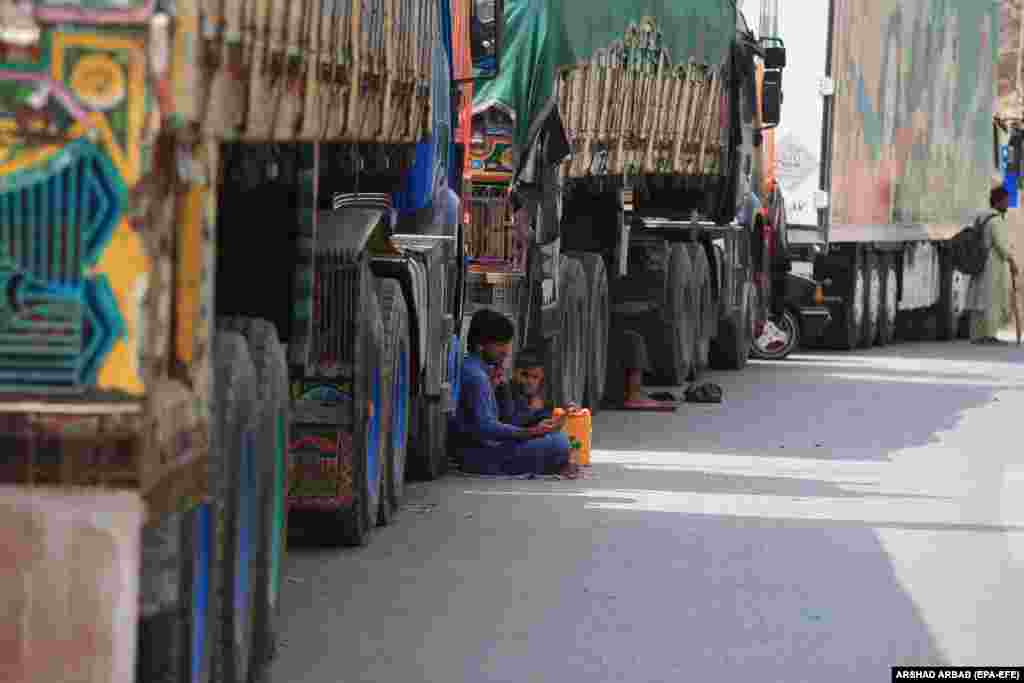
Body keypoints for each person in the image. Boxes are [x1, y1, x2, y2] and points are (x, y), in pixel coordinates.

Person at [452, 309, 573, 476]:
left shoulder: (480, 371)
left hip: (487, 450)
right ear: (481, 345)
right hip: (482, 456)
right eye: (500, 345)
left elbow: (505, 418)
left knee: (557, 438)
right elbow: (487, 428)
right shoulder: (476, 377)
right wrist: (531, 433)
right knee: (559, 444)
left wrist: (536, 425)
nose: (506, 352)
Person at [966, 186, 1019, 345]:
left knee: (978, 300)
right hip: (992, 266)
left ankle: (976, 335)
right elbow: (1001, 245)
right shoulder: (995, 220)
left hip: (979, 263)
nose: (1007, 204)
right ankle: (989, 335)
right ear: (998, 201)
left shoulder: (981, 217)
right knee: (991, 301)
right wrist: (1012, 261)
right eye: (1006, 201)